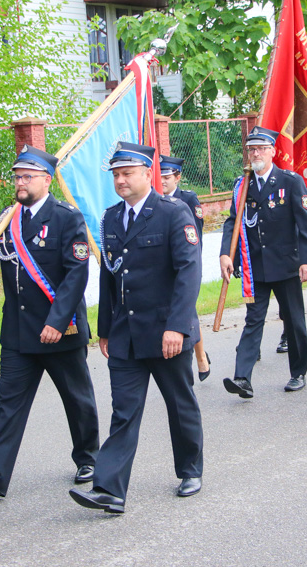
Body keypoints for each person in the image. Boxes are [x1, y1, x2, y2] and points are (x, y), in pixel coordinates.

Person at [0, 145, 100, 498]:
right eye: (17, 176)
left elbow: (76, 274)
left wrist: (57, 321)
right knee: (8, 402)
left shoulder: (66, 217)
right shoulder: (9, 218)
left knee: (77, 398)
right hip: (18, 331)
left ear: (46, 179)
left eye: (27, 176)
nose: (20, 182)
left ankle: (89, 457)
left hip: (60, 331)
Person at [69, 142, 203, 514]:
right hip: (126, 334)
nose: (120, 180)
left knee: (180, 403)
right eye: (115, 174)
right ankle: (109, 489)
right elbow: (110, 277)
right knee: (124, 411)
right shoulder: (111, 218)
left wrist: (177, 326)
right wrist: (106, 329)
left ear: (148, 174)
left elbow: (188, 275)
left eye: (127, 173)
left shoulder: (174, 214)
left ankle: (190, 469)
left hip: (166, 334)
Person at [220, 127, 307, 398]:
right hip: (256, 268)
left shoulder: (290, 181)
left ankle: (298, 372)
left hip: (286, 265)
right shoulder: (243, 185)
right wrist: (226, 254)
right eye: (251, 149)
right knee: (254, 320)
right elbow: (233, 222)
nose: (255, 153)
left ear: (273, 151)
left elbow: (306, 225)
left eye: (261, 148)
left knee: (294, 320)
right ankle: (243, 378)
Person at [160, 155, 211, 381]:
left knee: (188, 311)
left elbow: (195, 236)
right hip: (163, 268)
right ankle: (199, 356)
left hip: (185, 265)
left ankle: (200, 358)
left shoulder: (188, 199)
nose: (162, 181)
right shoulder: (154, 200)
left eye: (167, 177)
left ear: (177, 177)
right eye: (159, 176)